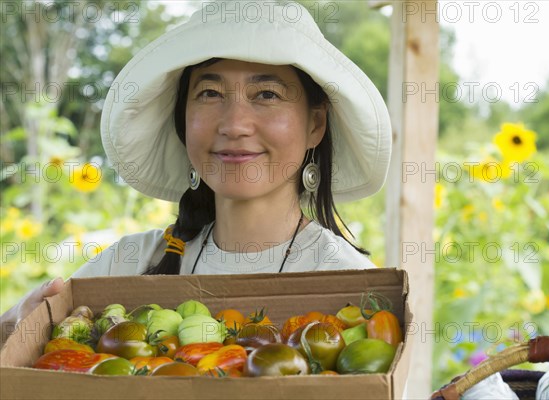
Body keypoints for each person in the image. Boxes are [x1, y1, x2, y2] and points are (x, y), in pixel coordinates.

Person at [1, 1, 391, 345]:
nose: (234, 124)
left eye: (267, 95)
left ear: (315, 124)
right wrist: (11, 329)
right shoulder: (128, 263)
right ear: (182, 121)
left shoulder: (351, 286)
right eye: (210, 93)